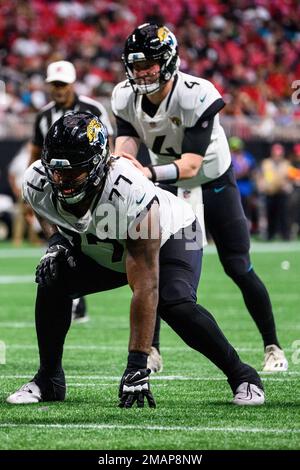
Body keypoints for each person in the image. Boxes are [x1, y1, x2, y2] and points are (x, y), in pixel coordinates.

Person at [6, 111, 264, 407]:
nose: (62, 181)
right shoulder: (37, 180)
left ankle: (243, 376)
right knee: (54, 276)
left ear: (97, 165)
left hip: (172, 234)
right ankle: (48, 379)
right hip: (105, 243)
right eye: (56, 170)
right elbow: (45, 210)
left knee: (173, 301)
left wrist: (136, 364)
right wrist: (55, 242)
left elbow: (145, 286)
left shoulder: (128, 190)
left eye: (73, 171)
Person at [111, 23, 288, 373]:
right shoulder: (123, 95)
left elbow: (191, 165)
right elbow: (128, 138)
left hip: (212, 180)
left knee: (238, 265)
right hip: (168, 185)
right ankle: (151, 350)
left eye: (150, 63)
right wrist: (124, 162)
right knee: (153, 267)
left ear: (169, 61)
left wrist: (145, 173)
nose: (143, 71)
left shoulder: (196, 93)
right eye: (137, 64)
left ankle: (272, 346)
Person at [29, 60, 114, 323]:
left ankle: (77, 296)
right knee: (62, 244)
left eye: (62, 84)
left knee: (89, 243)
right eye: (54, 84)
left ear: (72, 84)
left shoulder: (93, 108)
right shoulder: (43, 116)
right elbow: (34, 155)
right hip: (57, 192)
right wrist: (32, 189)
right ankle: (74, 301)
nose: (57, 89)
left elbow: (109, 147)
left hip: (92, 189)